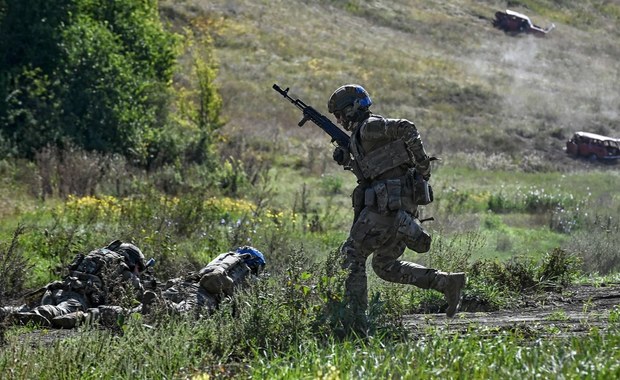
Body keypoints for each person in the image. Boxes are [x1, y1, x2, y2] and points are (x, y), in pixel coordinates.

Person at [327, 84, 466, 332]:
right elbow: (378, 168)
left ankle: (356, 322)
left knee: (352, 254)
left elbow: (406, 127)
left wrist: (424, 167)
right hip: (396, 208)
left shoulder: (369, 127)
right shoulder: (363, 135)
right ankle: (446, 282)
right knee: (385, 265)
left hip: (385, 209)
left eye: (340, 114)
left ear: (352, 109)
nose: (339, 121)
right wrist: (348, 159)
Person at [4, 240, 152, 328]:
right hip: (76, 299)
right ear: (133, 261)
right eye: (139, 268)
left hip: (58, 291)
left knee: (22, 308)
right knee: (58, 311)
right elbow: (137, 297)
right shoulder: (121, 267)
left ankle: (6, 312)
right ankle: (36, 315)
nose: (139, 272)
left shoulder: (97, 254)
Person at [156, 246, 266, 317]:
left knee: (150, 307)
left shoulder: (223, 259)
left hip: (184, 284)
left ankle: (153, 302)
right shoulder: (243, 273)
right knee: (186, 316)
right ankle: (164, 305)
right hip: (202, 294)